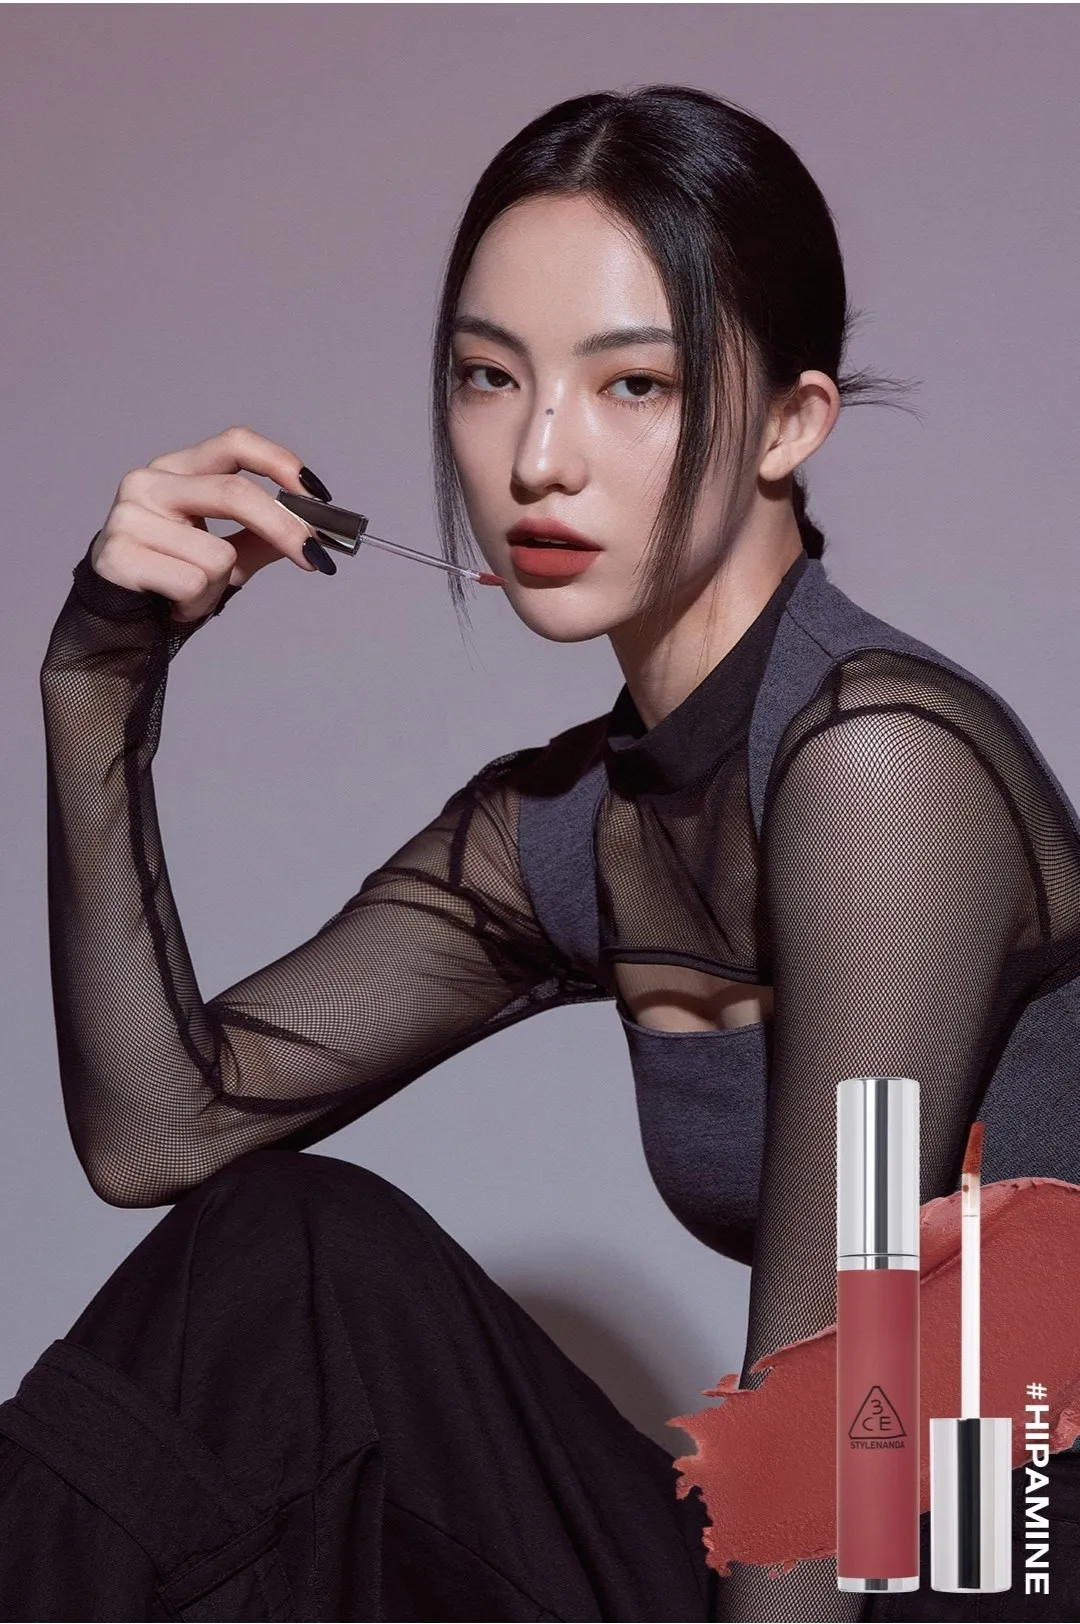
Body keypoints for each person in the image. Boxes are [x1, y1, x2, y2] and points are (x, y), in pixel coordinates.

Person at [3, 82, 1079, 1622]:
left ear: (791, 423)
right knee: (293, 1257)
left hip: (997, 1562)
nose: (537, 459)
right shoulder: (576, 827)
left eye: (633, 383)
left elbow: (846, 1407)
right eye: (489, 376)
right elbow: (161, 1135)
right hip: (832, 1545)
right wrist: (97, 686)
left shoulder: (881, 771)